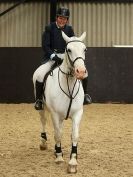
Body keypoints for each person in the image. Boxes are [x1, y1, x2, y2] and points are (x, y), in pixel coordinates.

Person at [34, 7, 92, 110]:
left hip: (66, 57)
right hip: (51, 57)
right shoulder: (49, 28)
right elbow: (45, 46)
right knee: (40, 74)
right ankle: (39, 100)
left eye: (65, 19)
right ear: (57, 18)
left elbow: (73, 43)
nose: (62, 20)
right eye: (60, 18)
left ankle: (85, 95)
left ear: (67, 20)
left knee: (84, 72)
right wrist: (53, 56)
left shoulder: (69, 29)